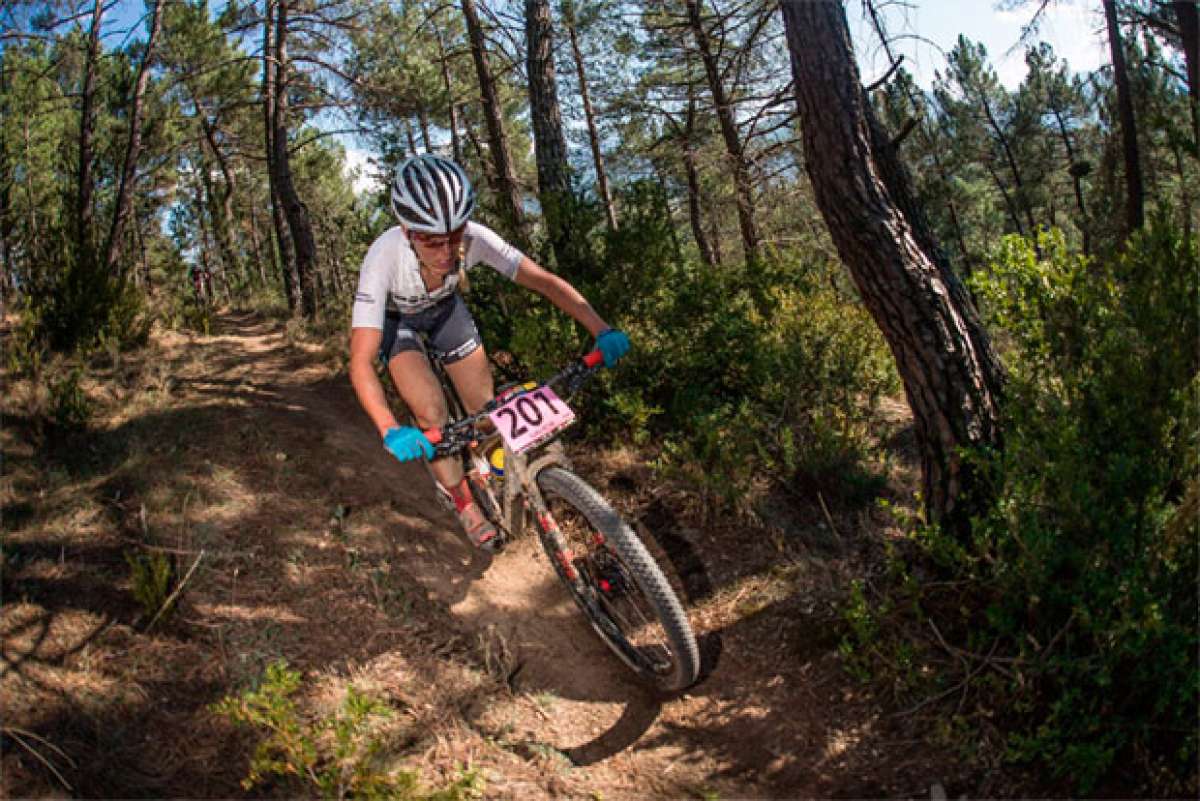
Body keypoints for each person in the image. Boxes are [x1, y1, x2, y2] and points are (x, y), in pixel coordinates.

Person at [349, 154, 630, 550]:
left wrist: (601, 328)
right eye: (432, 240)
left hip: (446, 311)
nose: (448, 250)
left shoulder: (474, 239)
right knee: (431, 413)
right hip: (401, 324)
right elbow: (360, 361)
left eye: (454, 235)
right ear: (407, 231)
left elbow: (544, 282)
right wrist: (388, 427)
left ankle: (495, 465)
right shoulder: (382, 258)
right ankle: (463, 501)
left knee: (485, 410)